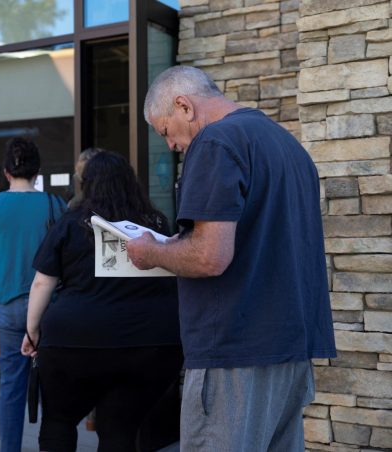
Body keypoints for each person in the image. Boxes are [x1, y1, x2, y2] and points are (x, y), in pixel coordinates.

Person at [126, 65, 337, 451]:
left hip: (234, 351)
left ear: (183, 106)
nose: (170, 145)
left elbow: (210, 257)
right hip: (291, 349)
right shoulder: (287, 145)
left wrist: (151, 251)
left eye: (165, 132)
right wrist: (180, 242)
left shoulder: (215, 142)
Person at [21, 151, 182, 452]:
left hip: (75, 342)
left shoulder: (71, 224)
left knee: (59, 421)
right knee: (120, 429)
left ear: (88, 184)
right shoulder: (155, 223)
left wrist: (32, 332)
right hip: (150, 346)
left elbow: (43, 282)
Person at [0, 137, 66, 452]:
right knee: (55, 384)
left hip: (7, 306)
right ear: (37, 170)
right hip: (50, 307)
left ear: (7, 171)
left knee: (11, 385)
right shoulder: (55, 205)